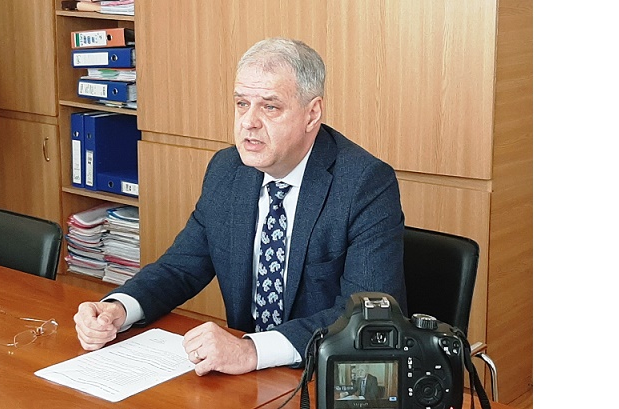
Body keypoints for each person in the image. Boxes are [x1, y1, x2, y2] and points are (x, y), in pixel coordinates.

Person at [73, 37, 406, 377]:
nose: (249, 122)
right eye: (242, 103)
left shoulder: (364, 184)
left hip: (322, 376)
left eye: (270, 107)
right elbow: (181, 267)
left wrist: (252, 350)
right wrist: (119, 307)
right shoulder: (227, 170)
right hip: (245, 379)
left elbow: (367, 315)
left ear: (312, 114)